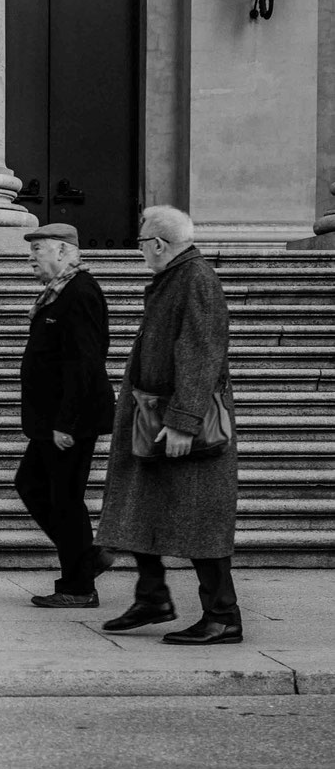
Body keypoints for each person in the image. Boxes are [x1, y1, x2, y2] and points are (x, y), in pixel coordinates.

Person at [96, 205, 241, 645]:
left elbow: (202, 353)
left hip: (180, 422)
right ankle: (152, 596)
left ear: (158, 244)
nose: (140, 250)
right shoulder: (175, 277)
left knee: (201, 520)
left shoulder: (195, 277)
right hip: (152, 417)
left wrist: (183, 423)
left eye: (141, 242)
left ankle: (223, 616)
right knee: (140, 504)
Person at [14, 222, 115, 608]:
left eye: (37, 250)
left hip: (68, 422)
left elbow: (85, 363)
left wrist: (66, 423)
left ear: (61, 251)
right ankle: (85, 561)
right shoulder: (59, 294)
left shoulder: (80, 293)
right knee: (33, 485)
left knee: (64, 498)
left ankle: (79, 585)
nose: (31, 259)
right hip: (51, 422)